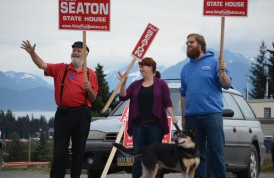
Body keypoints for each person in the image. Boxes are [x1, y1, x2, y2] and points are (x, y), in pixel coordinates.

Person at [21, 40, 98, 178]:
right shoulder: (61, 69)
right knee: (59, 150)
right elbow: (42, 65)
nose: (75, 53)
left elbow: (93, 98)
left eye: (78, 51)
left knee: (78, 150)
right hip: (63, 114)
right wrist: (32, 53)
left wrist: (88, 89)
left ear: (85, 55)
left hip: (82, 114)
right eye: (74, 50)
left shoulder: (91, 74)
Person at [179, 33, 232, 178]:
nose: (188, 44)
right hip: (191, 118)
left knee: (216, 153)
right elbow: (183, 94)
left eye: (191, 42)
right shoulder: (185, 69)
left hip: (212, 116)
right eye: (187, 42)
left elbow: (226, 84)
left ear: (201, 45)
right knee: (196, 156)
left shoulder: (215, 62)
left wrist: (222, 71)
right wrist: (183, 117)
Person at [117, 57, 178, 178]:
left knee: (157, 158)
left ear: (151, 67)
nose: (140, 69)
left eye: (143, 66)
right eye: (139, 67)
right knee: (138, 158)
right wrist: (123, 84)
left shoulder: (161, 84)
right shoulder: (135, 84)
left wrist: (173, 116)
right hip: (138, 126)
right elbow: (123, 97)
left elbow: (167, 102)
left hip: (155, 126)